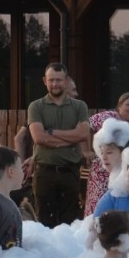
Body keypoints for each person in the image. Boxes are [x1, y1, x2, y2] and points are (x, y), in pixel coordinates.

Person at [27, 63, 90, 227]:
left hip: (71, 172)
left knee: (69, 224)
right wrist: (71, 138)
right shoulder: (36, 106)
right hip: (45, 173)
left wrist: (52, 132)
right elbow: (39, 138)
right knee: (44, 223)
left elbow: (83, 134)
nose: (55, 84)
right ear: (44, 81)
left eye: (59, 80)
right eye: (51, 80)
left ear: (66, 80)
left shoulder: (79, 106)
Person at [84, 92, 129, 216]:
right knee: (97, 209)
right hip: (102, 172)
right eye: (128, 104)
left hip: (123, 174)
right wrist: (85, 150)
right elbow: (85, 126)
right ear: (119, 107)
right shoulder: (109, 117)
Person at [87, 118, 129, 216]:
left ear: (125, 153)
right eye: (101, 152)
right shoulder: (112, 179)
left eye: (109, 152)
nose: (103, 157)